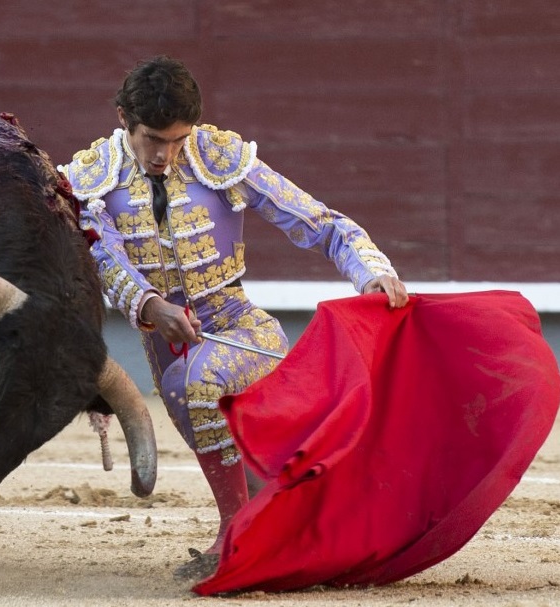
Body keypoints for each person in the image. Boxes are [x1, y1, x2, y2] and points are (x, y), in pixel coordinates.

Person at [59, 56, 409, 580]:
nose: (165, 155)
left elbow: (323, 223)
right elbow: (104, 256)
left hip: (241, 328)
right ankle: (283, 536)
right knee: (198, 401)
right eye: (154, 139)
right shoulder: (91, 179)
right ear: (121, 120)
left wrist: (372, 273)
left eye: (178, 140)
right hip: (165, 345)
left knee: (198, 381)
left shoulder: (220, 159)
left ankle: (232, 537)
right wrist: (153, 306)